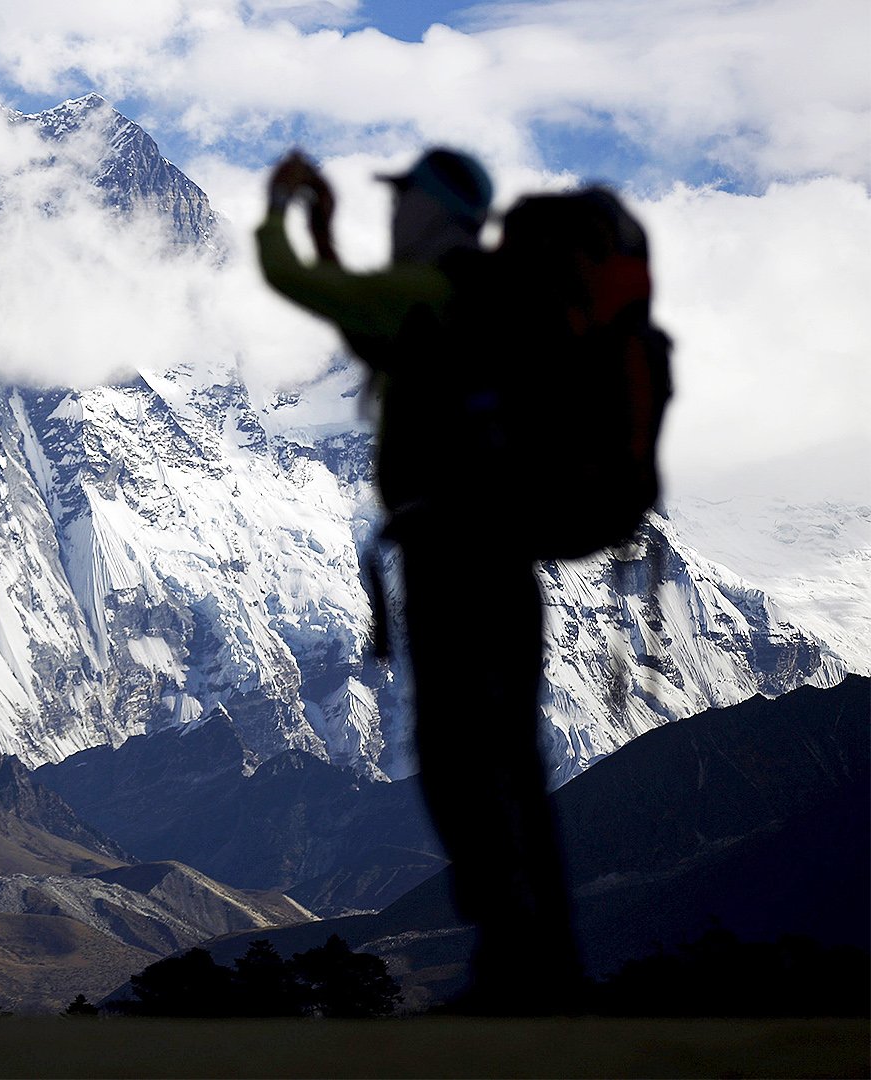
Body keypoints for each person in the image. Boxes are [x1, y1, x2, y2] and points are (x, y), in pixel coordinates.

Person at [256, 148, 582, 1013]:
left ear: (436, 213)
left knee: (454, 764)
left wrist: (280, 213)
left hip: (450, 566)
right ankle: (543, 963)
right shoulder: (476, 305)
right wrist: (331, 233)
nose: (392, 216)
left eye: (404, 203)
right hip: (509, 566)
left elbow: (297, 285)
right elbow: (366, 330)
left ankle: (515, 967)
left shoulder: (424, 295)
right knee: (509, 760)